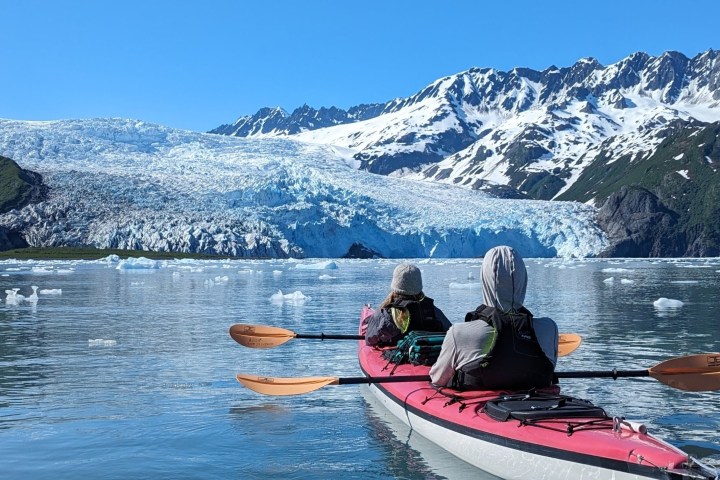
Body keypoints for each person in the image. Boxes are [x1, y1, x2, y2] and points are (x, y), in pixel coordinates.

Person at [429, 246, 558, 391]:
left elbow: (438, 379)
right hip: (539, 406)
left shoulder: (459, 333)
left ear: (485, 280)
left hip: (477, 408)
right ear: (524, 279)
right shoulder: (549, 328)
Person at [365, 263, 452, 347]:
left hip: (399, 357)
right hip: (427, 355)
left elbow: (370, 340)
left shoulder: (386, 313)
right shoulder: (432, 310)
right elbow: (450, 332)